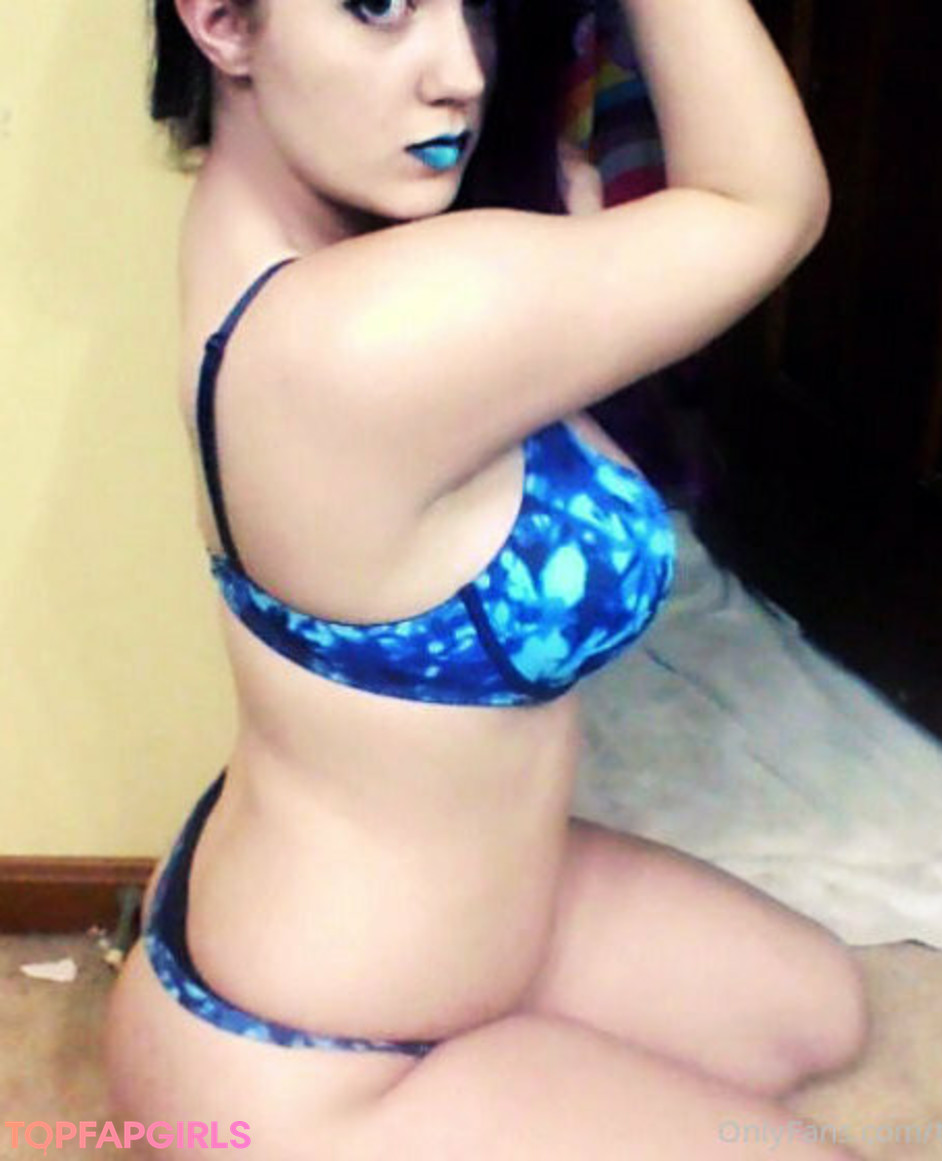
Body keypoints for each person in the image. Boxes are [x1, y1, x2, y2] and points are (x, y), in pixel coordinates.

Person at [104, 0, 868, 1156]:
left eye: (477, 8)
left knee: (814, 1012)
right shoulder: (360, 336)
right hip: (308, 1071)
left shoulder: (285, 228)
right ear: (222, 21)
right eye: (379, 8)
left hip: (368, 924)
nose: (460, 72)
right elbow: (765, 203)